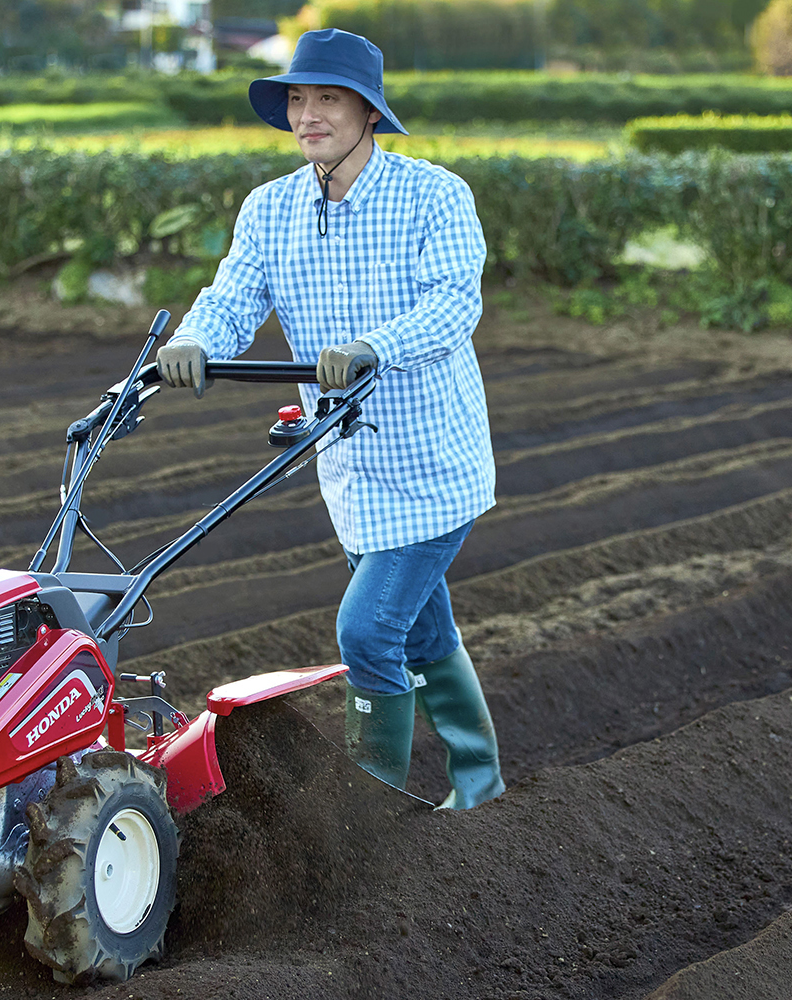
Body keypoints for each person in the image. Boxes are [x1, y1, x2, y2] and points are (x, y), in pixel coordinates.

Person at [155, 28, 503, 809]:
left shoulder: (435, 196)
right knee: (420, 631)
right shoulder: (270, 209)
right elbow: (235, 296)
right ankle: (481, 786)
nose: (309, 114)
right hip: (348, 466)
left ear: (369, 112)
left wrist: (375, 346)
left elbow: (454, 305)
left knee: (367, 632)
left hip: (432, 458)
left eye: (329, 99)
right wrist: (193, 343)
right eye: (298, 99)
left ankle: (367, 816)